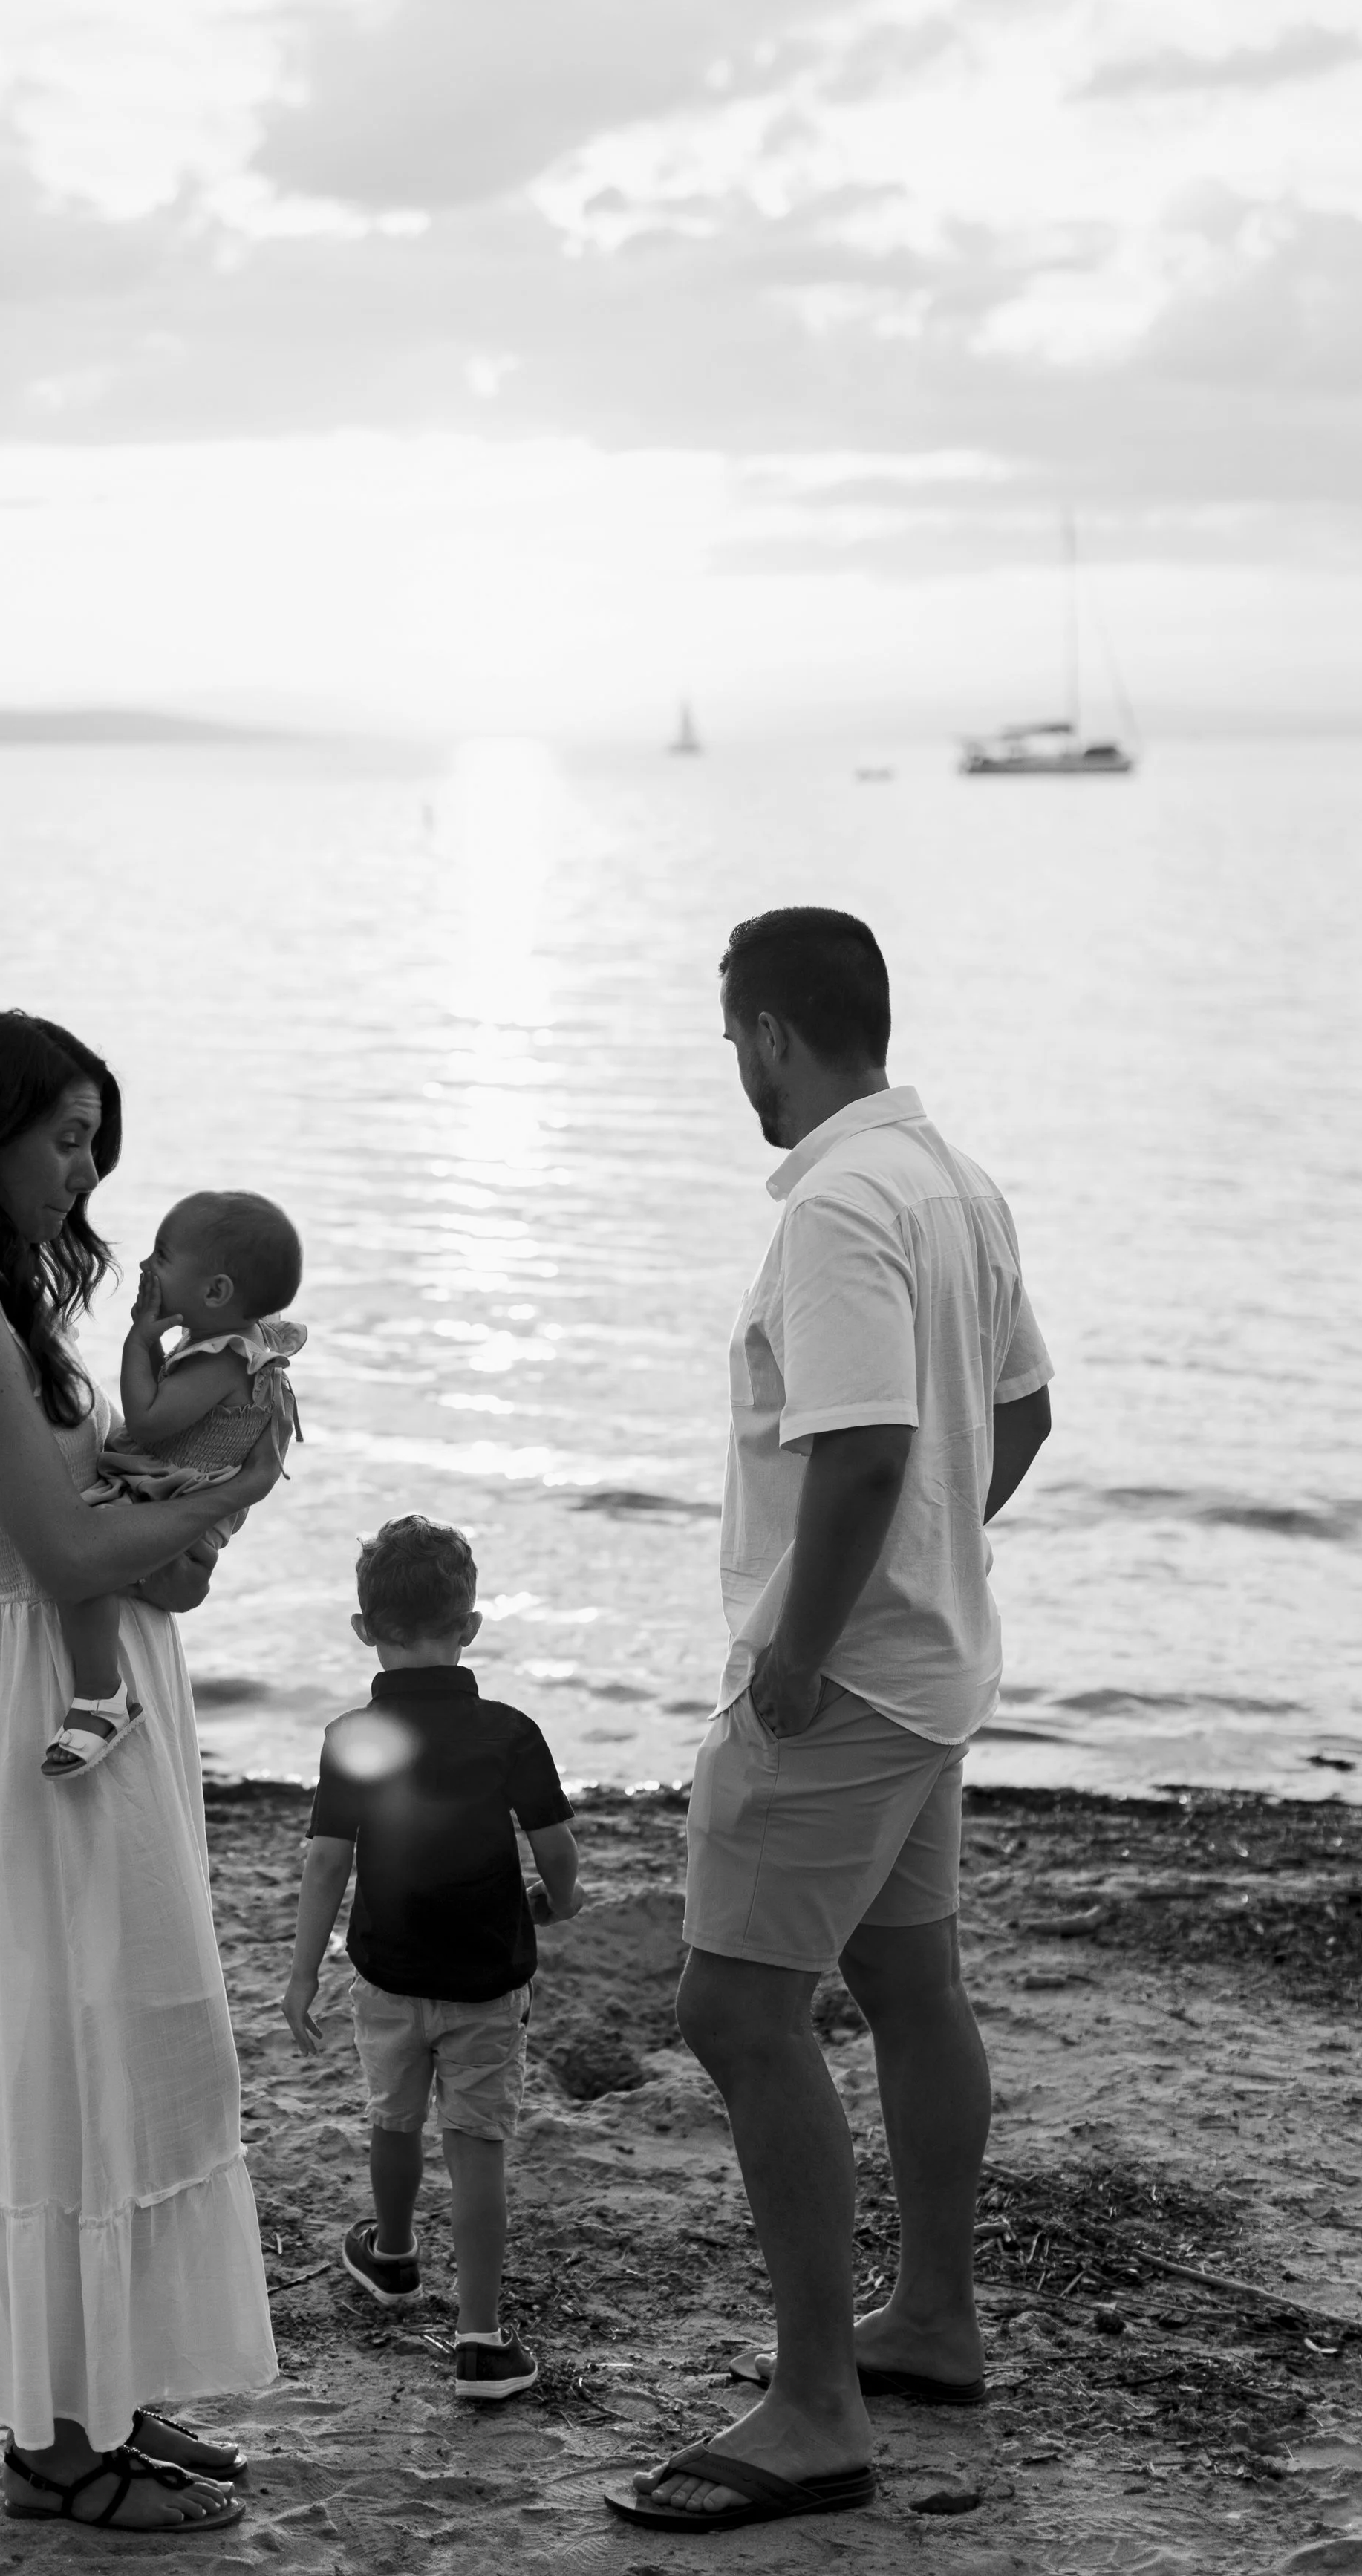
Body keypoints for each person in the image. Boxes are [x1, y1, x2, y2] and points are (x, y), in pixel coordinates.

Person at [611, 908, 1052, 2537]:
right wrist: (936, 1549)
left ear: (773, 1035)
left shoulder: (841, 1205)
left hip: (850, 1682)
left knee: (733, 2012)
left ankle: (811, 2412)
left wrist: (799, 1649)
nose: (735, 1069)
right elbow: (1017, 1412)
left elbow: (865, 1450)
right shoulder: (951, 1181)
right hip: (931, 1666)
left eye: (735, 1040)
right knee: (903, 1977)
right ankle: (929, 2316)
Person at [0, 1008, 284, 2535]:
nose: (85, 1165)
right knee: (72, 2040)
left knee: (141, 2031)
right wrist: (234, 1487)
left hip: (105, 1672)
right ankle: (53, 2447)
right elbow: (61, 1549)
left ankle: (101, 2390)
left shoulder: (12, 1297)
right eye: (62, 1134)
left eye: (98, 1136)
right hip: (48, 1689)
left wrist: (197, 1512)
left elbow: (123, 1539)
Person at [281, 1516, 584, 2404]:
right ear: (472, 1625)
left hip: (387, 1973)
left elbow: (327, 1863)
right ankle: (481, 2341)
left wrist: (302, 1974)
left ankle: (394, 2252)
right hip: (489, 1979)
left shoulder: (352, 1736)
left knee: (393, 2120)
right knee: (478, 2146)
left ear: (364, 1630)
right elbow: (556, 1851)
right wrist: (559, 1905)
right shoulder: (509, 1731)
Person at [45, 1190, 306, 1781]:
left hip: (169, 1494)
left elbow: (150, 1420)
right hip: (181, 1492)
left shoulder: (219, 1360)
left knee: (82, 1562)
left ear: (215, 1292)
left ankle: (101, 1695)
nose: (145, 1267)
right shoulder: (248, 1342)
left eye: (161, 1256)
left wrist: (141, 1339)